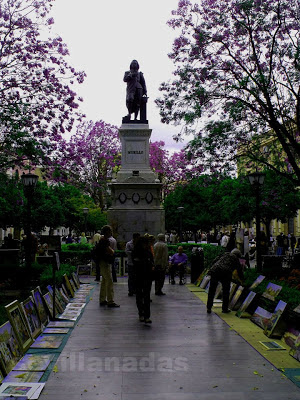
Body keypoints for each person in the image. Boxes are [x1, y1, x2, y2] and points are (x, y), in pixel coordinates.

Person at [206, 248, 244, 314]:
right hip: (225, 273)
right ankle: (224, 309)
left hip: (215, 271)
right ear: (238, 255)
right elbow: (239, 270)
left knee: (212, 290)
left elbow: (214, 260)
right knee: (226, 291)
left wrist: (211, 268)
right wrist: (242, 280)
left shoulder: (224, 254)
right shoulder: (235, 259)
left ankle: (209, 307)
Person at [96, 225, 120, 308]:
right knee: (109, 281)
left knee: (104, 281)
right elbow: (111, 251)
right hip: (105, 262)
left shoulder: (101, 240)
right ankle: (110, 301)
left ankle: (102, 299)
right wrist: (113, 252)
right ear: (108, 232)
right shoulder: (105, 241)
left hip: (102, 262)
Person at [133, 236, 154, 324]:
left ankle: (146, 315)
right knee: (140, 295)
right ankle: (141, 313)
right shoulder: (137, 252)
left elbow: (152, 262)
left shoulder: (148, 252)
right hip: (139, 276)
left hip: (147, 276)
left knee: (146, 296)